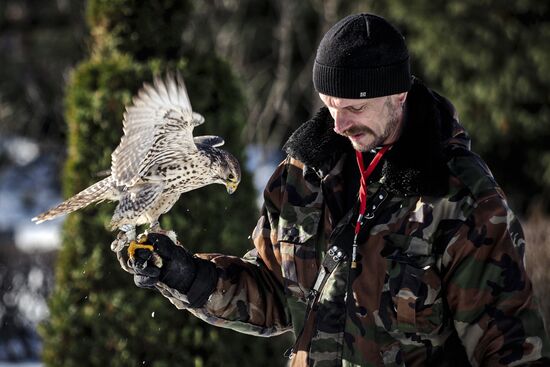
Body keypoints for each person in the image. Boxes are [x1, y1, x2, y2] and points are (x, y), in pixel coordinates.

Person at [116, 13, 550, 366]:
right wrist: (186, 275)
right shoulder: (302, 173)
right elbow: (276, 295)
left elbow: (510, 348)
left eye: (355, 108)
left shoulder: (459, 197)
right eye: (330, 106)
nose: (339, 126)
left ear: (398, 96)